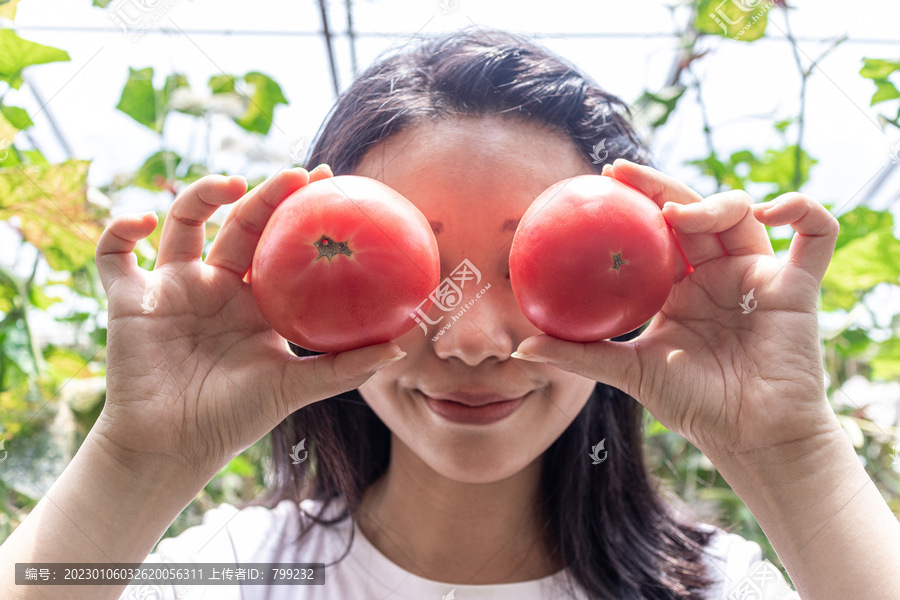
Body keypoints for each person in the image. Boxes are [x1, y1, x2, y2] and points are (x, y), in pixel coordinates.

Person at [2, 28, 898, 600]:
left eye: (533, 266)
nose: (470, 340)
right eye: (420, 271)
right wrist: (135, 461)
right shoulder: (235, 574)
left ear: (649, 285)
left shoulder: (717, 591)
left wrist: (794, 455)